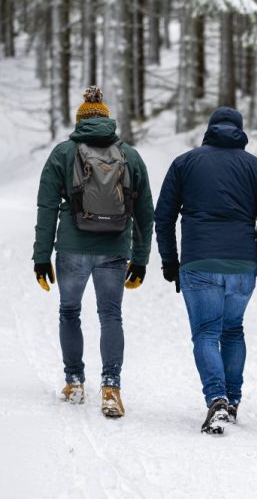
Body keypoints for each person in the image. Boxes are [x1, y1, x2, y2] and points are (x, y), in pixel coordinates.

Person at [154, 107, 257, 434]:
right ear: (240, 131)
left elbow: (164, 217)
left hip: (199, 262)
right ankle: (233, 399)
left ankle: (216, 398)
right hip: (242, 265)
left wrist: (170, 261)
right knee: (233, 330)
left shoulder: (185, 163)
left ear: (210, 130)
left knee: (206, 333)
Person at [32, 85, 154, 418]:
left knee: (69, 312)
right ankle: (111, 388)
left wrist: (42, 256)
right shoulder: (130, 154)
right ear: (107, 119)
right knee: (110, 315)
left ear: (80, 119)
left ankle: (73, 382)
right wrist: (140, 260)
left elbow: (46, 206)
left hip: (72, 247)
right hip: (115, 247)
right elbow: (145, 212)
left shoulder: (62, 153)